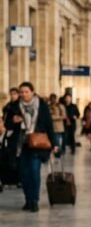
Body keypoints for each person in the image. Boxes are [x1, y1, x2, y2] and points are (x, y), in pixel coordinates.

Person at [9, 82, 57, 212]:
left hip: (37, 144)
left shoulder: (42, 106)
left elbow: (49, 125)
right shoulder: (13, 106)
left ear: (32, 92)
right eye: (21, 92)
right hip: (21, 144)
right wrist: (13, 121)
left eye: (26, 91)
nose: (23, 94)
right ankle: (28, 199)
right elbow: (7, 123)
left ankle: (34, 200)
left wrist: (55, 143)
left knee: (34, 172)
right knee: (24, 174)